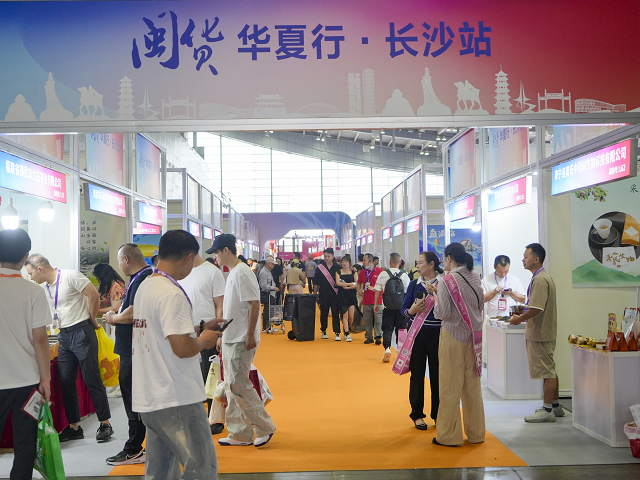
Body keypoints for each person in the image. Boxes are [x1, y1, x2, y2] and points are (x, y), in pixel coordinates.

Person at [133, 230, 221, 479]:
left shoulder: (146, 286)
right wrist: (204, 340)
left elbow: (161, 332)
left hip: (150, 397)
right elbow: (182, 348)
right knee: (201, 467)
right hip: (177, 396)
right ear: (188, 258)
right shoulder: (172, 293)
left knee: (159, 472)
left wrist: (198, 329)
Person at [25, 254, 113, 443]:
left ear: (40, 268)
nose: (30, 277)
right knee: (66, 380)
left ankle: (105, 423)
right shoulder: (45, 288)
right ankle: (74, 426)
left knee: (91, 378)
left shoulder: (70, 276)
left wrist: (91, 317)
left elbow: (93, 294)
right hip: (63, 335)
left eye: (31, 273)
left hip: (82, 331)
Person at [208, 234, 277, 447]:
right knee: (231, 385)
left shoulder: (243, 272)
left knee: (239, 384)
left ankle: (264, 426)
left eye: (216, 252)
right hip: (231, 336)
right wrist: (222, 335)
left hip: (241, 338)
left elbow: (254, 304)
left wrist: (249, 334)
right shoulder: (233, 273)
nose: (215, 257)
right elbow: (233, 310)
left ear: (226, 250)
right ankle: (240, 432)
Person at [0, 229, 52, 480]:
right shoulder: (33, 291)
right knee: (25, 444)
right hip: (26, 383)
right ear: (25, 257)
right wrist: (46, 379)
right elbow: (40, 339)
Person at [428, 243, 485, 446]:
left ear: (449, 258)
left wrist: (436, 297)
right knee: (472, 386)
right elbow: (479, 304)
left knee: (449, 385)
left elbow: (442, 313)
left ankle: (449, 435)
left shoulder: (446, 281)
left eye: (444, 258)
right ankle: (476, 433)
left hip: (453, 336)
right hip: (474, 336)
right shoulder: (475, 276)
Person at [103, 244, 153, 465]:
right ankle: (139, 445)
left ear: (126, 259)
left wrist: (113, 318)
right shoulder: (140, 278)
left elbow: (134, 312)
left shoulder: (143, 279)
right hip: (132, 349)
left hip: (134, 350)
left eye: (119, 261)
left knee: (134, 400)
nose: (119, 266)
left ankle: (134, 448)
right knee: (134, 398)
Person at [510, 243, 561, 423]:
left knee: (547, 371)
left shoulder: (540, 279)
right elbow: (536, 306)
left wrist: (519, 319)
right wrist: (524, 311)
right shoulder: (541, 277)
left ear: (536, 259)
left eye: (526, 257)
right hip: (543, 331)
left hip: (540, 333)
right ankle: (555, 406)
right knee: (550, 368)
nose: (523, 260)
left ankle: (547, 410)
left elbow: (537, 309)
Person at [178, 253, 226, 435]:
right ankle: (194, 418)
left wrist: (220, 333)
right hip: (185, 332)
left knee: (211, 376)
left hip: (208, 332)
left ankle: (215, 418)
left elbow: (220, 304)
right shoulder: (180, 273)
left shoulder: (212, 272)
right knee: (189, 377)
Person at [401, 252, 443, 430]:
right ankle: (417, 414)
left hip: (438, 335)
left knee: (438, 376)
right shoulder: (413, 284)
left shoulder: (443, 283)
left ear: (431, 264)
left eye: (420, 263)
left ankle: (438, 414)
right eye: (416, 263)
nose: (417, 266)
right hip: (417, 335)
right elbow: (403, 309)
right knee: (417, 375)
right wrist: (412, 311)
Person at [375, 253, 411, 362]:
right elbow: (408, 293)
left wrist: (376, 304)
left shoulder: (383, 274)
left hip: (387, 307)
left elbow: (378, 290)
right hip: (401, 308)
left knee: (387, 329)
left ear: (390, 261)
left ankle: (387, 349)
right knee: (401, 329)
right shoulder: (404, 275)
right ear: (400, 263)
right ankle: (400, 352)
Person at [314, 248, 341, 340]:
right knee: (323, 313)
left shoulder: (338, 268)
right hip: (323, 294)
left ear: (333, 256)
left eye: (328, 256)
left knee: (335, 313)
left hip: (335, 294)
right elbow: (316, 282)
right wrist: (315, 294)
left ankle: (337, 332)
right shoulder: (320, 268)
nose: (326, 258)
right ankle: (323, 330)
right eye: (325, 256)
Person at [358, 253, 384, 345]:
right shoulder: (362, 272)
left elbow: (384, 284)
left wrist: (377, 289)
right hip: (366, 300)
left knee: (378, 320)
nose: (363, 262)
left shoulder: (380, 272)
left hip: (377, 300)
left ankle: (378, 336)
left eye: (365, 260)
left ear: (370, 261)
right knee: (367, 320)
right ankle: (369, 336)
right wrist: (359, 290)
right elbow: (359, 283)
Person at [335, 256, 357, 342]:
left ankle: (347, 329)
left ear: (349, 263)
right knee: (345, 315)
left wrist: (348, 287)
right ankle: (347, 333)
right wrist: (350, 283)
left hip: (351, 295)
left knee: (351, 316)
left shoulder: (353, 272)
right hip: (342, 295)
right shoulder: (338, 272)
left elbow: (356, 283)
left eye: (346, 262)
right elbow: (338, 283)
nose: (344, 263)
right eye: (343, 262)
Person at [258, 256, 279, 332]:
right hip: (267, 294)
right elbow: (263, 285)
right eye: (272, 264)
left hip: (271, 294)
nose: (273, 265)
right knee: (267, 311)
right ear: (269, 264)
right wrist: (273, 288)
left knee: (271, 310)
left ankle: (270, 326)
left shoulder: (268, 271)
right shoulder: (263, 272)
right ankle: (265, 327)